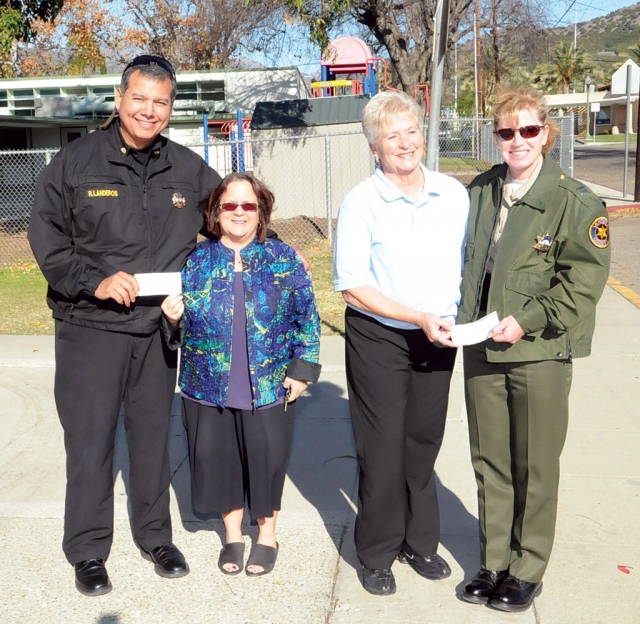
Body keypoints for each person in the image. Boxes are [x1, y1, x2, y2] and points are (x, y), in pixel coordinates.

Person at [27, 55, 222, 596]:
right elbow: (45, 236)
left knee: (154, 438)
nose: (149, 111)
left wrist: (266, 248)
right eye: (140, 98)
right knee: (90, 442)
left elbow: (230, 214)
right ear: (119, 99)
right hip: (91, 325)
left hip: (157, 329)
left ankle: (155, 535)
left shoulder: (187, 168)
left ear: (170, 108)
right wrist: (94, 280)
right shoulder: (75, 163)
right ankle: (88, 548)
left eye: (161, 102)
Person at [456, 86, 611, 612]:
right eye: (506, 131)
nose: (517, 140)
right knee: (489, 461)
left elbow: (583, 284)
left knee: (535, 465)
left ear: (546, 132)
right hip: (482, 348)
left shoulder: (574, 201)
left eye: (528, 129)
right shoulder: (481, 190)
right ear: (495, 135)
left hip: (539, 352)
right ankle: (494, 560)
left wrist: (527, 321)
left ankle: (527, 568)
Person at [332, 90, 470, 596]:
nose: (405, 142)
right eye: (392, 135)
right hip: (380, 336)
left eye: (411, 130)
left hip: (439, 337)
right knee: (383, 446)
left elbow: (467, 262)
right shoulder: (361, 202)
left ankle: (421, 542)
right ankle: (376, 551)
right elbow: (351, 285)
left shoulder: (453, 194)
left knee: (422, 443)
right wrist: (416, 315)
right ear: (375, 147)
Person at [160, 172, 321, 577]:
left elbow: (309, 321)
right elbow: (179, 328)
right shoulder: (195, 262)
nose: (238, 212)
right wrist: (171, 320)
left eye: (248, 205)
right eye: (229, 204)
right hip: (207, 385)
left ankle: (267, 537)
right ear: (215, 212)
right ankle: (232, 534)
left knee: (266, 462)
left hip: (268, 384)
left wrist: (301, 372)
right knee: (220, 461)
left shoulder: (284, 259)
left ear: (261, 211)